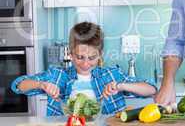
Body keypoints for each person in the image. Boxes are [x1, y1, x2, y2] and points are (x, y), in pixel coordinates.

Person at [11, 22, 156, 116]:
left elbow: (151, 89)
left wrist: (122, 86)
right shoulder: (57, 75)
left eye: (92, 58)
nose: (86, 64)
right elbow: (18, 85)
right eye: (80, 57)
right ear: (70, 54)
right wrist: (41, 84)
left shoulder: (111, 75)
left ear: (100, 55)